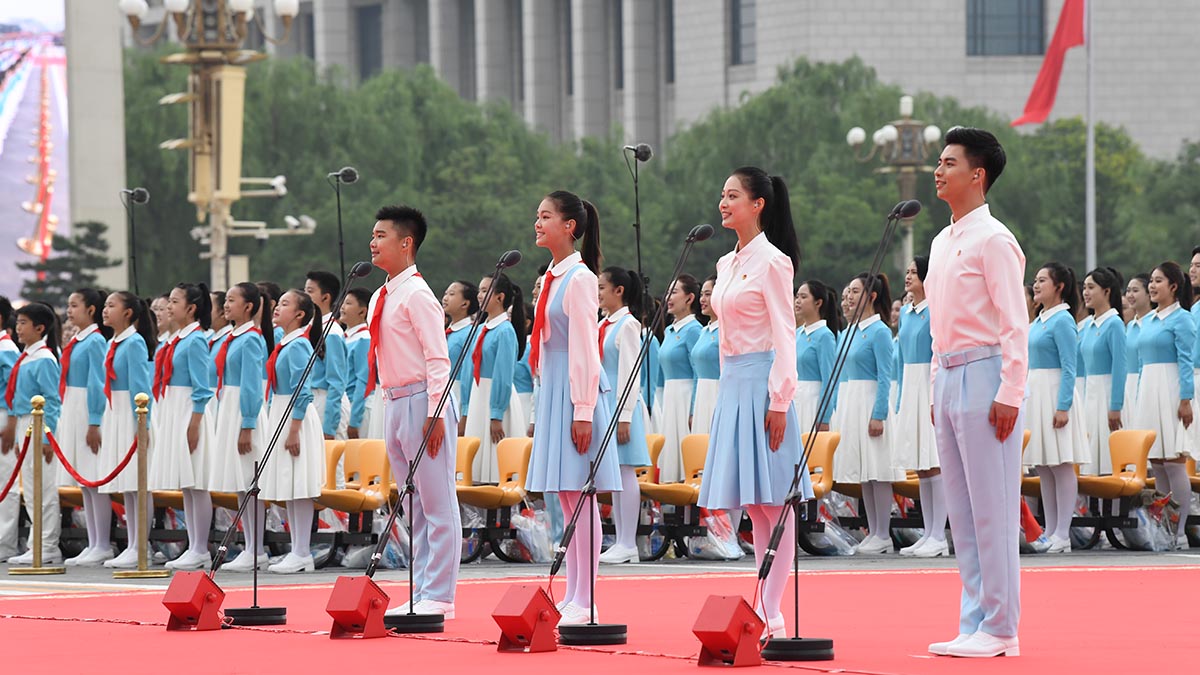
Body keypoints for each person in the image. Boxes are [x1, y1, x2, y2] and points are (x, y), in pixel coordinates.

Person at [697, 166, 811, 639]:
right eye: (722, 195)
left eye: (733, 196)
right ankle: (764, 604)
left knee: (775, 505)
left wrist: (781, 399)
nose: (723, 203)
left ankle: (774, 610)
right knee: (753, 503)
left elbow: (786, 335)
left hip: (765, 382)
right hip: (734, 384)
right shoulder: (726, 265)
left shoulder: (774, 262)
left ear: (758, 203)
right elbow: (726, 337)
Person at [926, 126, 1026, 658]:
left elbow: (1015, 323)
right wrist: (932, 386)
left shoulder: (995, 240)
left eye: (948, 162)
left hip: (987, 375)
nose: (938, 171)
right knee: (961, 510)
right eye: (938, 162)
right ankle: (975, 619)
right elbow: (940, 325)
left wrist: (1011, 389)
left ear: (977, 174)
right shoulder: (942, 240)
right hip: (948, 375)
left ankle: (1002, 626)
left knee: (993, 508)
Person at [525, 190, 621, 625]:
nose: (537, 223)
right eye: (537, 216)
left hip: (575, 391)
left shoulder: (580, 278)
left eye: (546, 216)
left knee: (580, 496)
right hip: (555, 389)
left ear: (570, 226)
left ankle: (589, 597)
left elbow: (586, 346)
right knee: (565, 499)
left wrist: (583, 409)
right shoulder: (551, 276)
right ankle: (574, 591)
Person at [370, 205, 462, 619]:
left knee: (438, 502)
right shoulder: (381, 294)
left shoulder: (418, 294)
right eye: (372, 236)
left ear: (406, 243)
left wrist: (435, 410)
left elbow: (437, 358)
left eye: (381, 236)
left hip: (424, 400)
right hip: (394, 400)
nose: (372, 243)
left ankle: (440, 594)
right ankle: (421, 587)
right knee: (414, 504)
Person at [831, 272, 902, 554]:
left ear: (871, 296)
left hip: (871, 401)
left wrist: (879, 413)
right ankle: (873, 530)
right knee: (865, 471)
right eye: (848, 291)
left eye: (856, 291)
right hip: (853, 402)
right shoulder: (851, 331)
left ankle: (883, 532)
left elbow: (885, 376)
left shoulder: (880, 331)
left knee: (878, 469)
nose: (849, 296)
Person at [207, 282, 273, 572]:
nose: (226, 305)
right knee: (238, 481)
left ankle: (256, 549)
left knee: (249, 481)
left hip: (243, 411)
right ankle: (249, 545)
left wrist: (247, 424)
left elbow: (251, 386)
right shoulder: (234, 337)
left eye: (232, 300)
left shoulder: (251, 339)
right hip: (229, 407)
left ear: (248, 306)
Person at [261, 290, 327, 573]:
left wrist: (294, 429)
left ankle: (302, 552)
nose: (277, 307)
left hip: (294, 418)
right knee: (290, 484)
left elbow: (303, 391)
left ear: (300, 315)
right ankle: (297, 549)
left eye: (285, 304)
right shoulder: (285, 344)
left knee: (299, 486)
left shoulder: (299, 345)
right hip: (282, 412)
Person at [1025, 262, 1089, 553]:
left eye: (1042, 280)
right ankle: (1050, 530)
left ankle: (1063, 531)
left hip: (1054, 395)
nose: (1036, 285)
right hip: (1036, 395)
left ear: (1059, 287)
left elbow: (1069, 367)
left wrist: (1063, 406)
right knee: (1044, 465)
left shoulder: (1063, 320)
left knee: (1061, 464)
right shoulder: (1039, 320)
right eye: (1035, 281)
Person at [1134, 262, 1195, 550]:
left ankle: (1180, 530)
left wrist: (1185, 399)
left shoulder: (1182, 319)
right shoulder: (1149, 320)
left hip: (1170, 389)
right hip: (1148, 389)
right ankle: (1163, 527)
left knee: (1173, 462)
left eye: (1159, 281)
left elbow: (1186, 361)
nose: (1152, 286)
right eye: (1152, 281)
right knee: (1156, 463)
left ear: (1173, 286)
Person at [155, 283, 216, 570]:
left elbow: (202, 388)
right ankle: (193, 544)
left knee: (197, 483)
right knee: (187, 486)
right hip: (176, 409)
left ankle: (200, 547)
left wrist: (194, 424)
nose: (169, 306)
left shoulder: (195, 341)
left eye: (175, 301)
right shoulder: (177, 339)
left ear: (191, 309)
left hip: (190, 412)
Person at [596, 266, 651, 564]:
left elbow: (631, 373)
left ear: (619, 291)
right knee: (615, 474)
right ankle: (620, 539)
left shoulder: (628, 325)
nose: (598, 292)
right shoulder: (603, 324)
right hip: (605, 406)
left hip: (621, 407)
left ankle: (628, 541)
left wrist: (625, 415)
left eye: (603, 287)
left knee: (625, 471)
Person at [97, 292, 156, 569]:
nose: (105, 310)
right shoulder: (114, 342)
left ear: (129, 312)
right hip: (115, 411)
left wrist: (141, 424)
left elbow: (140, 387)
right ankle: (132, 542)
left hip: (130, 413)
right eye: (105, 305)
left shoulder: (133, 343)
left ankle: (140, 544)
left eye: (112, 306)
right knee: (127, 487)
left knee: (138, 483)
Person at [1, 303, 63, 565]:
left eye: (24, 323)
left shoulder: (44, 359)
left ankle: (48, 544)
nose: (19, 328)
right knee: (31, 488)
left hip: (40, 425)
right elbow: (18, 398)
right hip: (27, 424)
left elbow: (52, 401)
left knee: (44, 488)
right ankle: (36, 543)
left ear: (40, 328)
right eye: (18, 322)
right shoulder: (27, 356)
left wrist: (48, 438)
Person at [895, 257, 948, 557]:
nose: (908, 277)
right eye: (908, 272)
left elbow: (939, 352)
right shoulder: (906, 313)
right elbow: (902, 359)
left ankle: (939, 534)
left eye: (914, 272)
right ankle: (928, 532)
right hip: (910, 385)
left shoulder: (935, 311)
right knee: (921, 465)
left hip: (929, 382)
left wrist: (933, 395)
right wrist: (903, 397)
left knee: (934, 461)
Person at [57, 290, 114, 566]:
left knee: (94, 478)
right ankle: (93, 542)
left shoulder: (94, 342)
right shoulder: (79, 340)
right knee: (84, 481)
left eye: (74, 305)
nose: (69, 310)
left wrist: (94, 420)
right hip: (73, 406)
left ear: (91, 310)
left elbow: (96, 382)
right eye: (68, 305)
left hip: (86, 409)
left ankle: (102, 542)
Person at [460, 273, 527, 483]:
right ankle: (477, 514)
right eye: (479, 290)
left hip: (495, 399)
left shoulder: (505, 331)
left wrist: (496, 413)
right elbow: (468, 371)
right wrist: (465, 410)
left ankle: (499, 513)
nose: (479, 295)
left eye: (484, 290)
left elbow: (503, 375)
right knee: (476, 462)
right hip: (478, 398)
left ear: (500, 297)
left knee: (496, 463)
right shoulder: (480, 329)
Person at [1079, 268, 1127, 476]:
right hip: (1090, 394)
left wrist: (1115, 406)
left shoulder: (1114, 324)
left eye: (1091, 287)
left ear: (1106, 291)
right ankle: (1092, 508)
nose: (1086, 293)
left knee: (1108, 456)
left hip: (1107, 394)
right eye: (1084, 288)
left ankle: (1114, 508)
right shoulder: (1089, 326)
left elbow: (1120, 366)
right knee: (1091, 455)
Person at [657, 274, 703, 483]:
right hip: (670, 397)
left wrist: (693, 408)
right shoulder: (668, 331)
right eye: (668, 291)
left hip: (685, 397)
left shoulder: (694, 330)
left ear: (689, 298)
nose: (668, 296)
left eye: (674, 292)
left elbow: (697, 372)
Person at [304, 271, 350, 447]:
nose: (305, 295)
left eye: (310, 291)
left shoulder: (331, 332)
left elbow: (337, 382)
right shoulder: (313, 328)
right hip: (315, 399)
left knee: (331, 464)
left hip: (327, 401)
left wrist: (330, 426)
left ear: (325, 297)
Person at [793, 280, 839, 435]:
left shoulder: (824, 336)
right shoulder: (798, 334)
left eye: (804, 297)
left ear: (818, 302)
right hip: (796, 401)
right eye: (797, 296)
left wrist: (824, 418)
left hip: (813, 403)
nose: (797, 301)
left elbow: (829, 379)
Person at [0, 297, 19, 562]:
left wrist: (10, 423)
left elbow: (14, 390)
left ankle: (5, 543)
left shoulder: (7, 349)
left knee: (6, 480)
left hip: (3, 414)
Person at [690, 275, 721, 436]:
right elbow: (696, 373)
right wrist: (693, 406)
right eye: (702, 294)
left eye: (708, 294)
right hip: (702, 395)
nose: (702, 299)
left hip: (718, 394)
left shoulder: (726, 330)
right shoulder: (704, 331)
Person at [341, 287, 372, 440]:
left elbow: (363, 380)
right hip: (348, 404)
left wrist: (354, 419)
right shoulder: (346, 337)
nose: (342, 307)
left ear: (362, 311)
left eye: (348, 303)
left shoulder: (364, 339)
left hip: (357, 407)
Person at [1123, 274, 1153, 427]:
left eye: (1135, 290)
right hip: (1129, 384)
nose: (1130, 295)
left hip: (1148, 383)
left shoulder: (1155, 323)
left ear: (1149, 294)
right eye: (1128, 291)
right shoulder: (1129, 327)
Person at [443, 279, 479, 409]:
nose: (445, 298)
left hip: (457, 396)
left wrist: (464, 409)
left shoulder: (470, 334)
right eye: (446, 293)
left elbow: (468, 373)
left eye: (452, 294)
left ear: (465, 304)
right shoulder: (445, 332)